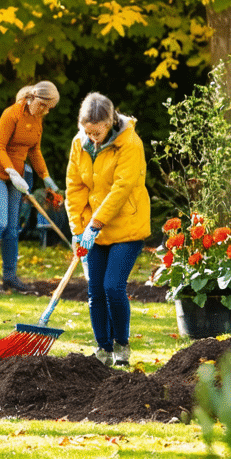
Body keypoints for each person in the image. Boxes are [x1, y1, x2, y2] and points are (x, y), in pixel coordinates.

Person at [66, 92, 151, 367]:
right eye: (88, 131)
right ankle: (102, 350)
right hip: (93, 230)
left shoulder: (129, 143)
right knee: (95, 290)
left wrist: (95, 224)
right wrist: (78, 229)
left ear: (110, 121)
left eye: (98, 132)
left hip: (127, 225)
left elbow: (122, 188)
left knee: (113, 287)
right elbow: (74, 187)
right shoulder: (80, 144)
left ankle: (121, 345)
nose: (93, 137)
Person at [0, 81, 64, 292]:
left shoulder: (37, 120)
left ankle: (10, 277)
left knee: (13, 229)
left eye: (49, 109)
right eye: (43, 106)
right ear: (34, 98)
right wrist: (12, 172)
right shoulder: (11, 114)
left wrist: (46, 177)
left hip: (18, 176)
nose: (44, 111)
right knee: (0, 223)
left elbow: (34, 151)